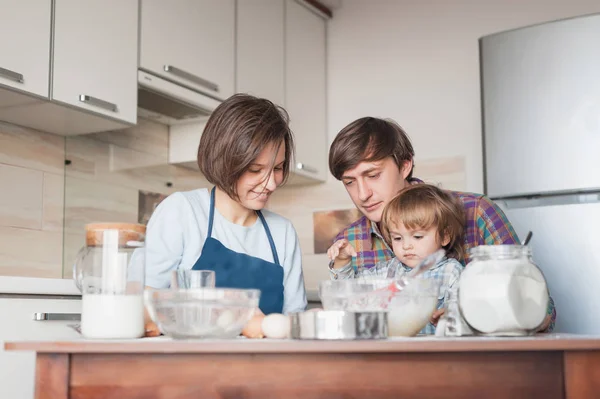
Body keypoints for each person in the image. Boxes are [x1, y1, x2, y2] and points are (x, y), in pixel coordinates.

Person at [326, 117, 555, 332]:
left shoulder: (475, 212)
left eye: (373, 175)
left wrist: (468, 315)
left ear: (405, 166)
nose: (363, 194)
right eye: (350, 182)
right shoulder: (350, 240)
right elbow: (346, 314)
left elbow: (541, 311)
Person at [144, 94, 307, 335]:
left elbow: (294, 321)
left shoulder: (282, 232)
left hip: (265, 367)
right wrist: (238, 319)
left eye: (278, 168)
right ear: (224, 160)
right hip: (188, 366)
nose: (271, 184)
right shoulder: (182, 212)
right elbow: (143, 308)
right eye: (255, 170)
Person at [329, 184, 465, 334]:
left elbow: (461, 312)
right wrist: (342, 261)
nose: (406, 246)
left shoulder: (451, 272)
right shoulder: (389, 270)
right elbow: (350, 291)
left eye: (417, 237)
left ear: (445, 236)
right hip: (391, 350)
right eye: (398, 238)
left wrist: (451, 316)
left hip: (434, 353)